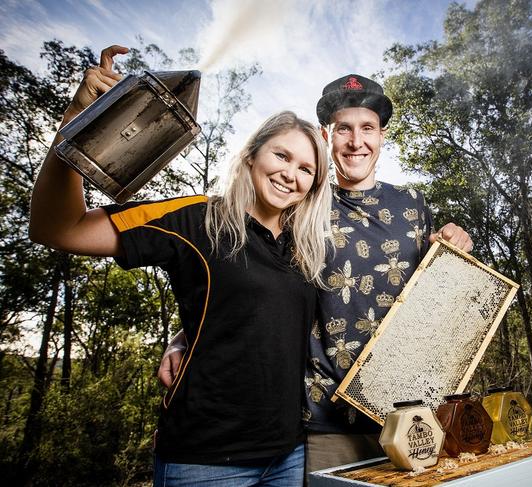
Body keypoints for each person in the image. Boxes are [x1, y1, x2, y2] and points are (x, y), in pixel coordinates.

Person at [29, 45, 333, 487]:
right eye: (282, 156)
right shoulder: (195, 218)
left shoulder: (303, 250)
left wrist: (182, 337)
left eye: (307, 169)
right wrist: (79, 120)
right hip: (204, 462)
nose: (292, 174)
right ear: (252, 155)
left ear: (313, 186)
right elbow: (60, 228)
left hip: (287, 455)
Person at [158, 74, 473, 479]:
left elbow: (432, 292)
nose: (356, 141)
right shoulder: (298, 205)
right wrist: (185, 336)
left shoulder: (412, 204)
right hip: (327, 419)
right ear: (328, 135)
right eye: (344, 128)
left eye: (367, 129)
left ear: (382, 137)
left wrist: (453, 245)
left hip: (413, 414)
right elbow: (246, 274)